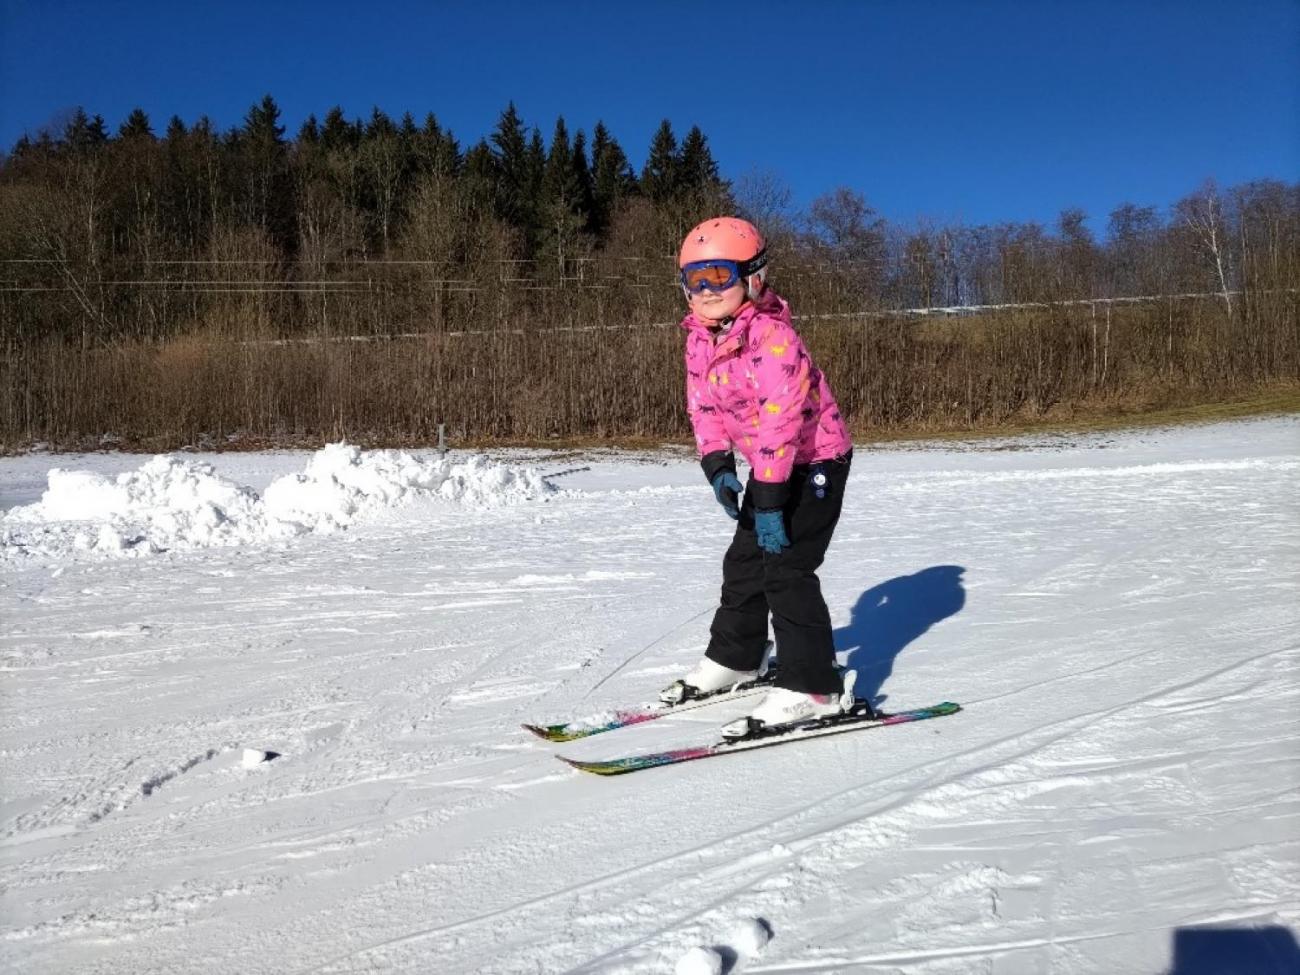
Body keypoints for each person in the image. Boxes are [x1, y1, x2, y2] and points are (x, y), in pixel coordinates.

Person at [662, 216, 856, 734]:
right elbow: (702, 405)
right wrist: (718, 465)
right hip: (768, 467)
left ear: (753, 277)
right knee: (745, 563)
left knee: (787, 569)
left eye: (718, 276)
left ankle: (813, 686)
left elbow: (781, 416)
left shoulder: (773, 337)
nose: (705, 291)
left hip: (816, 462)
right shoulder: (700, 339)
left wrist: (768, 497)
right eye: (694, 279)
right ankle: (736, 658)